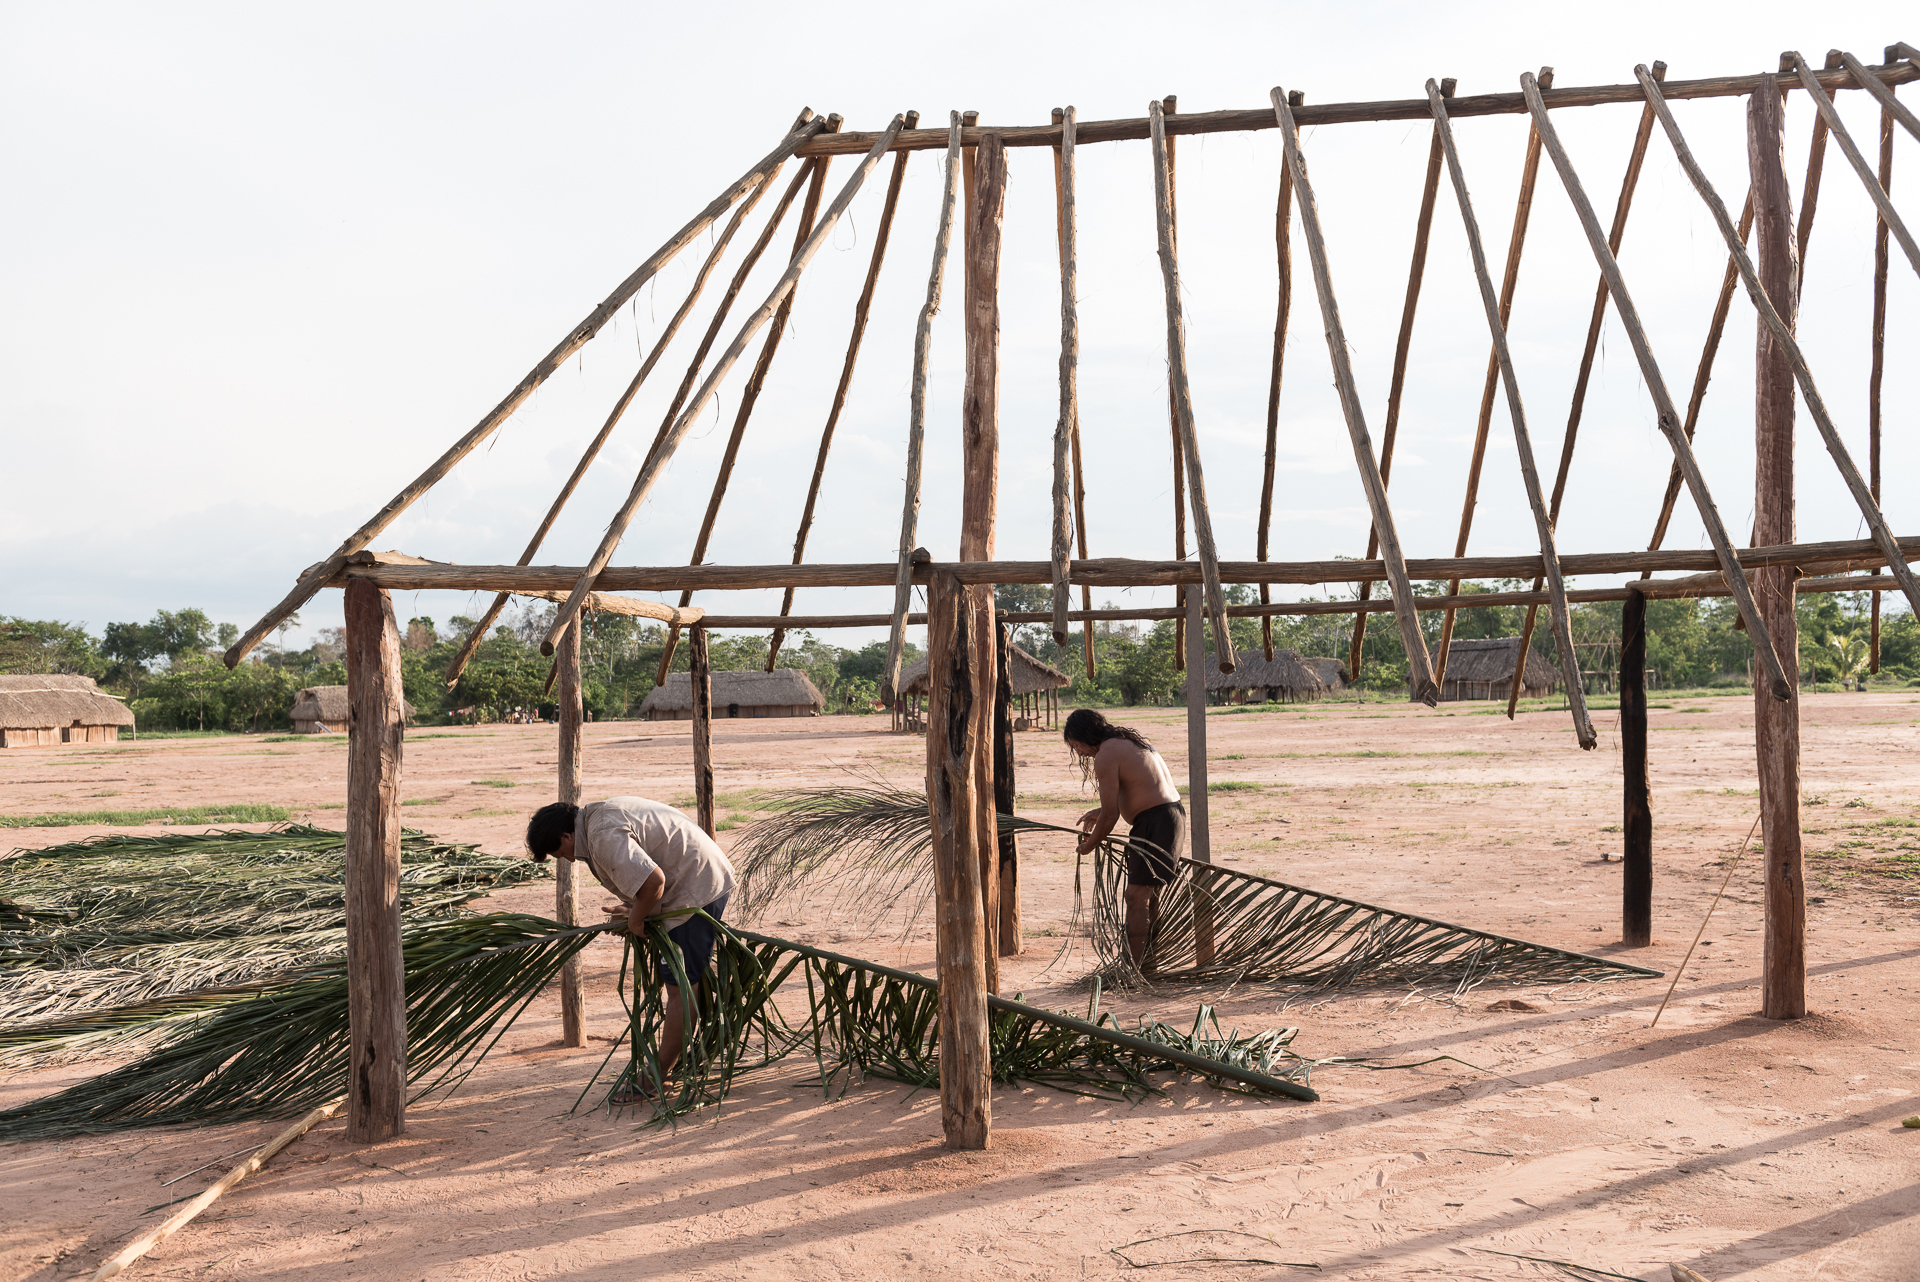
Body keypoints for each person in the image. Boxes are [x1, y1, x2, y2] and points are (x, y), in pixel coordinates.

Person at [524, 796, 736, 1100]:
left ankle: (657, 1078)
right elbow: (646, 878)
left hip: (695, 891)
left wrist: (637, 919)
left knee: (678, 988)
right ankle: (679, 1061)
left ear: (566, 836)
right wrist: (633, 909)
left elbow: (653, 882)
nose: (566, 859)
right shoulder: (596, 821)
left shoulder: (601, 835)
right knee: (682, 981)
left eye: (559, 852)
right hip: (695, 880)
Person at [1063, 708, 1185, 969]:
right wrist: (1099, 813)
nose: (1080, 752)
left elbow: (1110, 816)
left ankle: (1134, 969)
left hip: (1156, 821)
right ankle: (1146, 963)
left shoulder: (1106, 754)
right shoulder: (1131, 742)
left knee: (1136, 897)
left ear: (1085, 735)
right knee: (1147, 895)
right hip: (1169, 816)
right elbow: (1139, 788)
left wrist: (1088, 845)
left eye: (1076, 745)